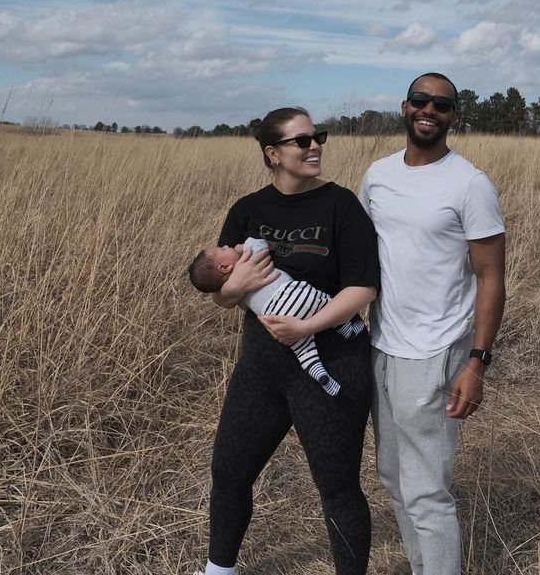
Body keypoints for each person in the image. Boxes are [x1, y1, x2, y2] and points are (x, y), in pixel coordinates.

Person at [200, 108, 379, 575]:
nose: (314, 146)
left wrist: (307, 327)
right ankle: (218, 571)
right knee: (229, 471)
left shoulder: (341, 206)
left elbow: (363, 288)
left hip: (332, 363)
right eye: (301, 141)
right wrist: (236, 289)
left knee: (337, 487)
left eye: (317, 137)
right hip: (262, 366)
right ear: (272, 153)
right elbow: (222, 292)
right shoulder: (247, 210)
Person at [358, 73, 507, 575]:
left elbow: (490, 277)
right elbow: (358, 253)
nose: (429, 110)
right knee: (392, 476)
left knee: (426, 492)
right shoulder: (378, 175)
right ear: (404, 107)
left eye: (442, 105)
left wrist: (476, 363)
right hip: (381, 344)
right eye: (421, 100)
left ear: (454, 116)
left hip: (436, 350)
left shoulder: (470, 184)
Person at [187, 236, 365, 395]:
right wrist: (243, 247)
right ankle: (345, 328)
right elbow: (259, 244)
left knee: (303, 350)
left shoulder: (239, 296)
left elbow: (238, 304)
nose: (226, 245)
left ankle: (320, 374)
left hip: (277, 321)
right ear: (225, 267)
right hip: (293, 295)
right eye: (222, 249)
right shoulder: (248, 258)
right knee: (326, 303)